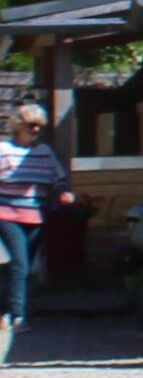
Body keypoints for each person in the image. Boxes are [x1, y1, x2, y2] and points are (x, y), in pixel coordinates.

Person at [0, 101, 68, 357]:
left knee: (23, 267)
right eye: (31, 126)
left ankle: (6, 309)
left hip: (35, 214)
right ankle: (19, 315)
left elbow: (58, 177)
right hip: (6, 212)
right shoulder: (4, 150)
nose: (36, 131)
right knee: (21, 263)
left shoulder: (45, 153)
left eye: (39, 127)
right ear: (19, 127)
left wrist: (63, 192)